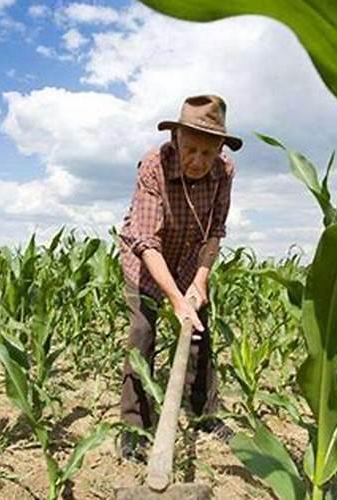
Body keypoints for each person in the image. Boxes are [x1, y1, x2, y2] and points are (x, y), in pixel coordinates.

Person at [117, 94, 242, 462]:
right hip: (146, 260)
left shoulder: (225, 171)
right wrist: (174, 298)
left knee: (200, 331)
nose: (198, 161)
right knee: (142, 333)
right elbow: (145, 240)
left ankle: (204, 414)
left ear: (220, 147)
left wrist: (199, 282)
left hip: (191, 260)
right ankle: (134, 428)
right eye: (191, 150)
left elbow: (215, 232)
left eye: (208, 153)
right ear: (176, 140)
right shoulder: (154, 165)